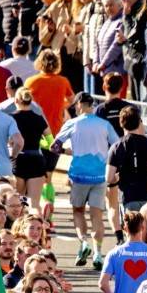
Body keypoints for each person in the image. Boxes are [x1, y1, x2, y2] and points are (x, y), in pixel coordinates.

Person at [53, 91, 119, 270]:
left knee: (78, 211)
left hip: (79, 175)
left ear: (79, 104)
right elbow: (116, 145)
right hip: (100, 175)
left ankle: (84, 243)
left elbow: (55, 146)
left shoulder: (72, 123)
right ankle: (98, 252)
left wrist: (69, 152)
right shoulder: (104, 124)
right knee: (97, 214)